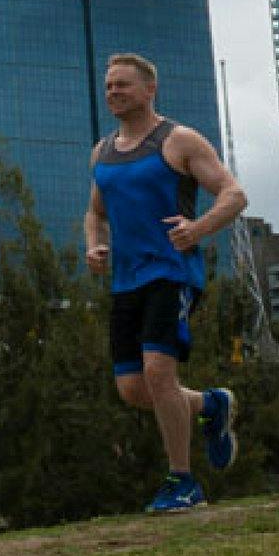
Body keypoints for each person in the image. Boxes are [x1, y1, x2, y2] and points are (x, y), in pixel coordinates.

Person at [83, 52, 247, 513]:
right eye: (109, 85)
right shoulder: (102, 151)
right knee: (134, 389)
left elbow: (234, 194)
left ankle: (183, 482)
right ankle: (211, 406)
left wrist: (198, 229)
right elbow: (95, 213)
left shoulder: (178, 140)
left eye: (123, 84)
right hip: (125, 280)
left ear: (149, 89)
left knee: (159, 371)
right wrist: (94, 246)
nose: (113, 92)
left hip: (172, 272)